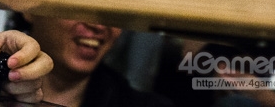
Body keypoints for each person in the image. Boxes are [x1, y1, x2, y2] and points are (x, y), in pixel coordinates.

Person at [22, 13, 171, 107]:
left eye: (112, 12)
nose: (97, 25)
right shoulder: (5, 83)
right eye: (79, 6)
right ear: (29, 9)